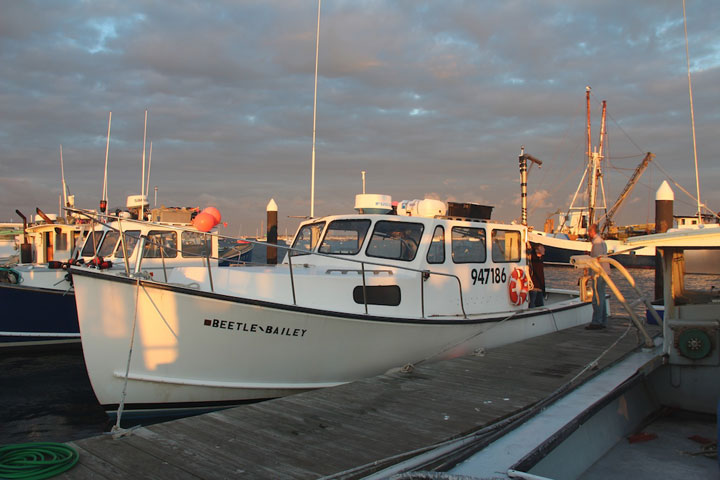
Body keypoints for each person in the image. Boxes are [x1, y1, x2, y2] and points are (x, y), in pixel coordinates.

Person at [586, 223, 609, 329]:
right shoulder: (602, 241)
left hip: (598, 273)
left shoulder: (597, 243)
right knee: (601, 295)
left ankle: (597, 321)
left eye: (588, 232)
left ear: (592, 232)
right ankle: (602, 320)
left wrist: (591, 274)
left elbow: (596, 260)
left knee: (597, 297)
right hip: (603, 272)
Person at [528, 243, 545, 307]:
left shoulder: (540, 259)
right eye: (541, 248)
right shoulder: (533, 259)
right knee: (533, 304)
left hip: (540, 288)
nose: (544, 249)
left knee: (539, 305)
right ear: (536, 250)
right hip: (534, 287)